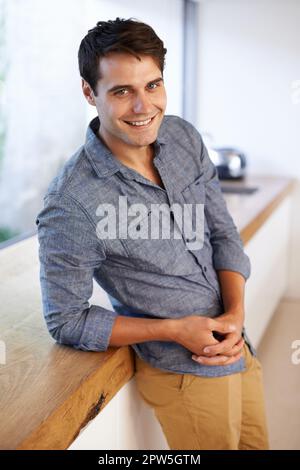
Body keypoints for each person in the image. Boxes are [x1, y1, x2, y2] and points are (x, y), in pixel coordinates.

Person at [36, 18, 269, 450]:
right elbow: (66, 320)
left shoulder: (182, 137)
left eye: (153, 85)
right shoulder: (72, 202)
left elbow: (223, 233)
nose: (144, 107)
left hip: (239, 344)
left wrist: (235, 313)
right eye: (122, 91)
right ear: (90, 93)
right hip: (185, 374)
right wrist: (174, 329)